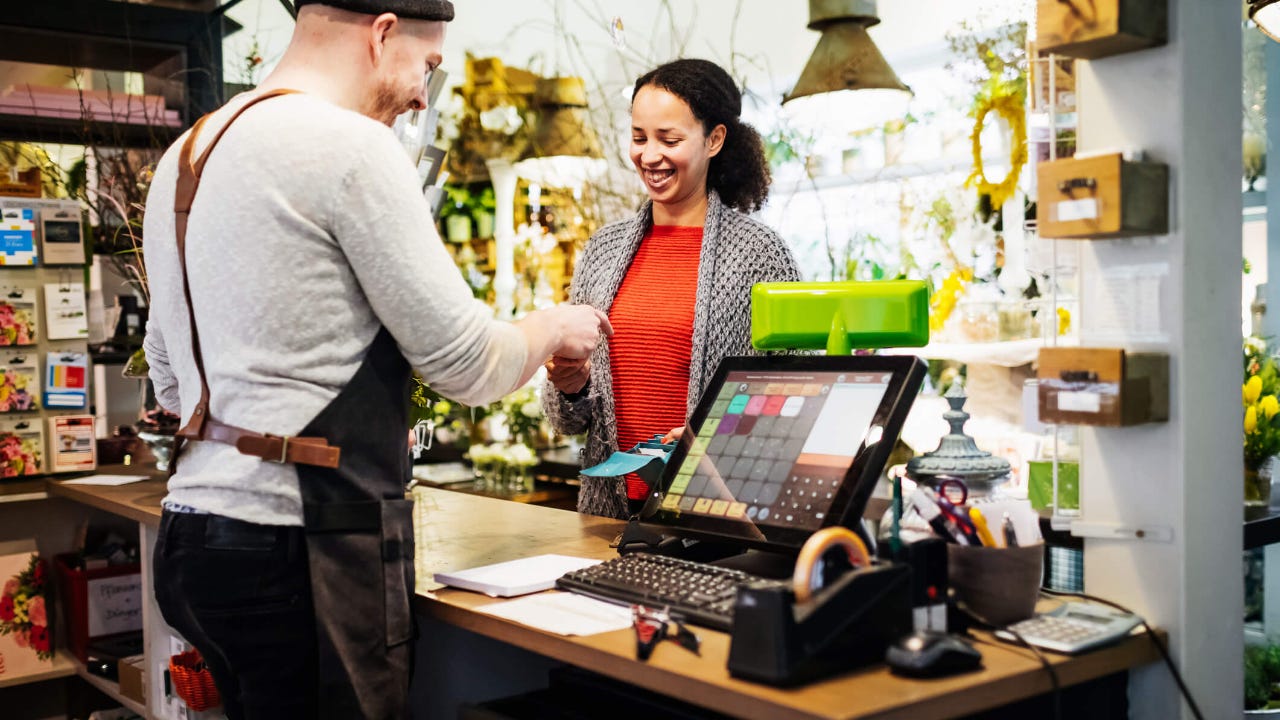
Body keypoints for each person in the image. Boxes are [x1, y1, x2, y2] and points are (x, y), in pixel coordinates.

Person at [141, 2, 610, 718]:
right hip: (299, 551)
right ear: (383, 32)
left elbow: (169, 380)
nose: (425, 93)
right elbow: (470, 365)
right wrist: (553, 326)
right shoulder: (351, 147)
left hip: (193, 540)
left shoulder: (191, 151)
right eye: (428, 65)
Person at [543, 58, 801, 520]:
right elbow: (568, 420)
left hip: (719, 518)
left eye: (670, 139)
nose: (649, 155)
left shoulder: (759, 253)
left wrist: (714, 435)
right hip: (608, 517)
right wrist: (571, 385)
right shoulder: (603, 251)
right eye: (639, 137)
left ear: (714, 140)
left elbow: (799, 394)